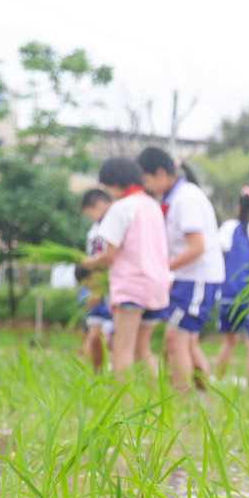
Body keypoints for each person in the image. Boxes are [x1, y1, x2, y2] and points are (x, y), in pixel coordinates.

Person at [137, 148, 225, 391]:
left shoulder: (185, 198)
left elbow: (197, 247)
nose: (147, 187)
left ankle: (181, 401)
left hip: (198, 278)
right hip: (188, 278)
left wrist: (161, 268)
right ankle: (205, 394)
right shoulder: (175, 198)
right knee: (186, 341)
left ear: (161, 173)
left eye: (146, 180)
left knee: (175, 340)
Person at [80, 157, 169, 378]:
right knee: (143, 349)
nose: (109, 192)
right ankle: (159, 404)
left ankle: (124, 407)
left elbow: (109, 254)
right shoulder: (153, 206)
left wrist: (89, 262)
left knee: (123, 349)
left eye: (108, 186)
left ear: (115, 182)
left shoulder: (121, 208)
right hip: (156, 286)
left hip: (131, 285)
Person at [214, 186, 249, 385]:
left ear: (239, 205)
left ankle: (219, 379)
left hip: (229, 291)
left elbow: (220, 253)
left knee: (228, 341)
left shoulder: (230, 227)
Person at [77, 188, 114, 372]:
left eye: (90, 214)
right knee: (94, 336)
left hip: (114, 288)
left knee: (116, 339)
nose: (92, 219)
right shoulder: (95, 231)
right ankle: (98, 377)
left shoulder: (115, 223)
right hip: (98, 288)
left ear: (99, 206)